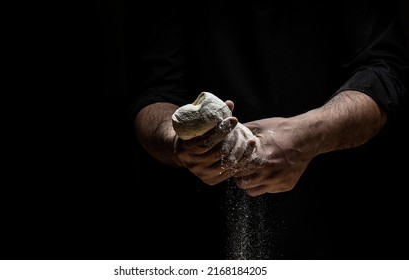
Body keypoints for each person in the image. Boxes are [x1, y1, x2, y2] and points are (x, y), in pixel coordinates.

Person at [125, 0, 409, 259]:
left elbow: (384, 72)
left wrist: (312, 135)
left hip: (338, 220)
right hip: (195, 227)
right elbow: (153, 91)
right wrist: (178, 144)